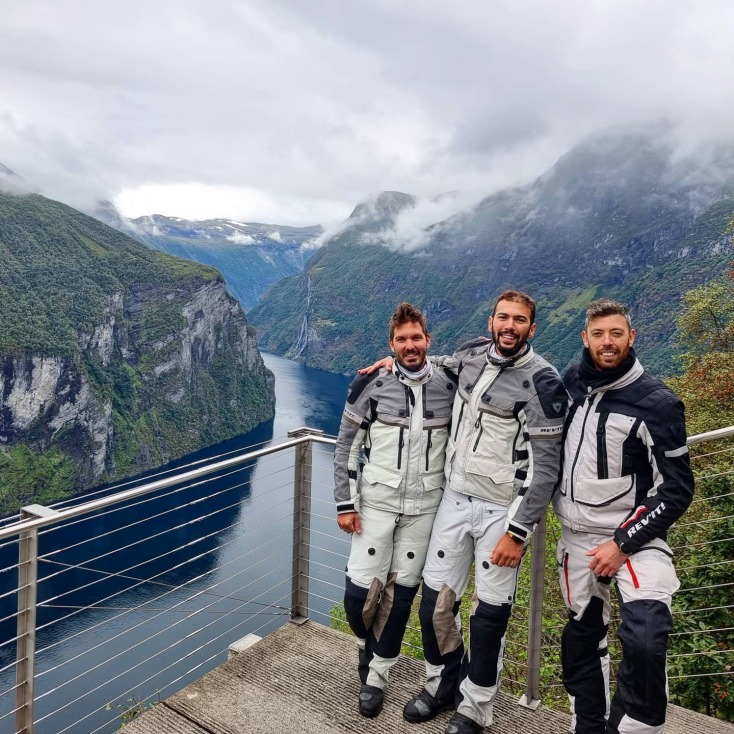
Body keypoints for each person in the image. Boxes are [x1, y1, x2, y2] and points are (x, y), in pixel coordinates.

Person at [368, 290, 568, 734]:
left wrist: (518, 532)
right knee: (434, 604)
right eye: (503, 318)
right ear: (491, 321)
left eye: (519, 320)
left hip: (501, 512)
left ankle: (476, 707)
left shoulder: (543, 382)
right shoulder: (470, 357)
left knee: (488, 617)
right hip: (454, 500)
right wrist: (394, 363)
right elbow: (433, 363)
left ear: (532, 328)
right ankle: (442, 685)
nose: (509, 326)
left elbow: (546, 469)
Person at [553, 298, 694, 734]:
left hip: (635, 538)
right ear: (585, 338)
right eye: (598, 334)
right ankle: (588, 725)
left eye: (616, 333)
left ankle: (636, 728)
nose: (607, 342)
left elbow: (677, 488)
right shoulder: (574, 381)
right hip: (576, 536)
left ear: (631, 337)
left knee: (647, 637)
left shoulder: (657, 403)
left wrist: (621, 543)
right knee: (582, 637)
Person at [333, 302, 457, 718]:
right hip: (376, 505)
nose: (410, 345)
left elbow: (482, 356)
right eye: (402, 340)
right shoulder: (370, 383)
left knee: (399, 599)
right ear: (391, 344)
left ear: (428, 340)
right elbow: (346, 446)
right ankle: (366, 647)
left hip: (425, 508)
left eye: (416, 338)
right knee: (358, 597)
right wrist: (346, 502)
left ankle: (375, 677)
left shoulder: (449, 382)